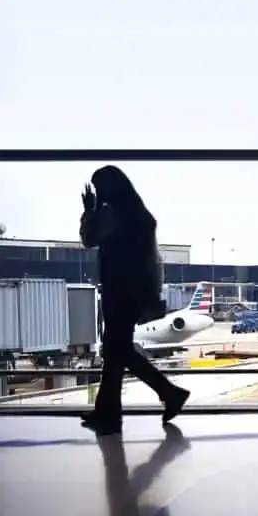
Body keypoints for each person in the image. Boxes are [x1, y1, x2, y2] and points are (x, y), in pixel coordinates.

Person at [78, 166, 190, 437]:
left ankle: (166, 393)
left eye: (99, 186)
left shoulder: (111, 213)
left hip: (118, 291)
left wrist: (89, 211)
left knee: (117, 350)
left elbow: (89, 240)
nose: (99, 192)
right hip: (134, 291)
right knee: (117, 352)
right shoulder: (139, 215)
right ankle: (109, 413)